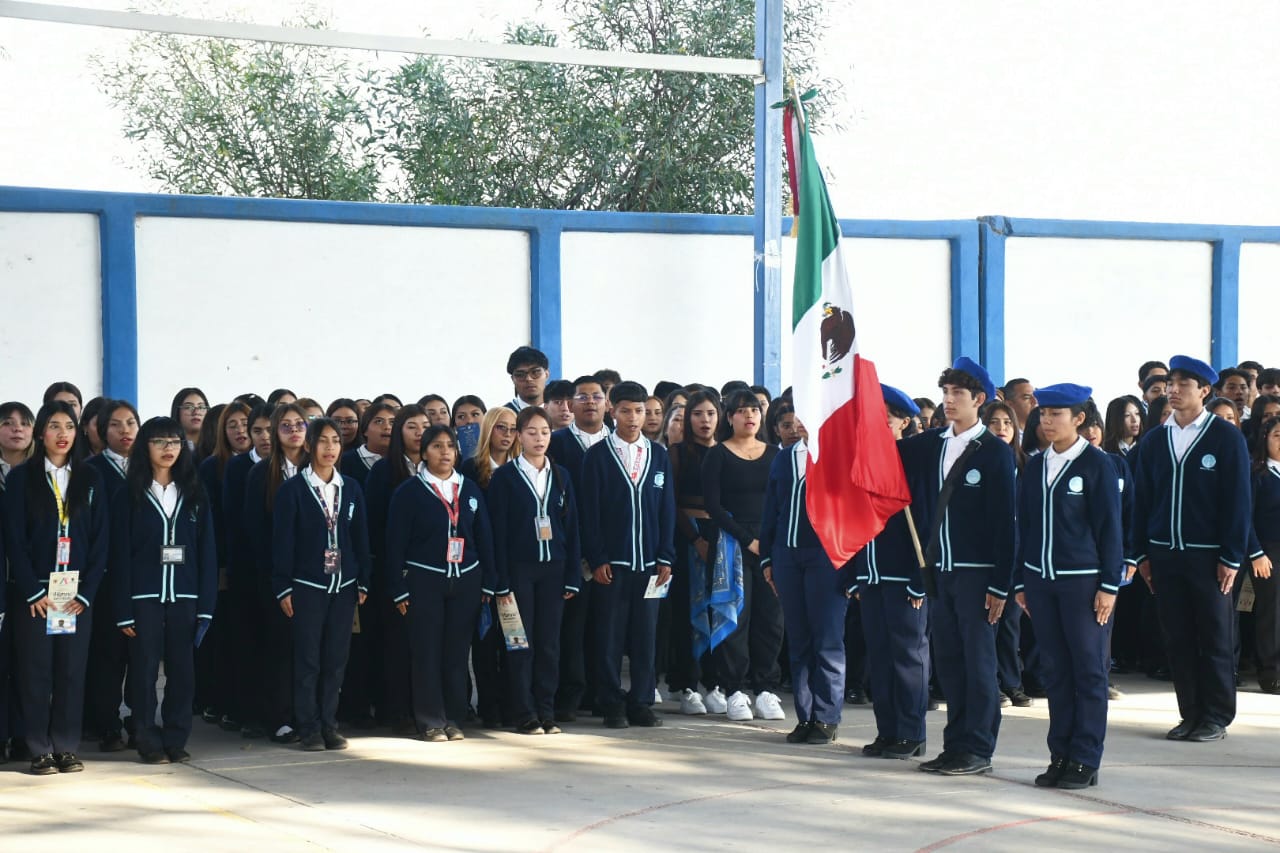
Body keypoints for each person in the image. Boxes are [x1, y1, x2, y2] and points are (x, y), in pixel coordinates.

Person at [899, 357, 1016, 777]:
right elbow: (886, 454)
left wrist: (1002, 584)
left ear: (978, 400)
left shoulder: (995, 453)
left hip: (978, 574)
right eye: (946, 393)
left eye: (958, 395)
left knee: (979, 663)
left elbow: (1007, 523)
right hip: (941, 572)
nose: (949, 401)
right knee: (949, 660)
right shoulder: (932, 444)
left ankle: (978, 748)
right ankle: (955, 744)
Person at [1131, 356, 1251, 742]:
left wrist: (1231, 556)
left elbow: (1238, 501)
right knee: (1178, 637)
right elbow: (1142, 501)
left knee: (1214, 637)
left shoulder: (1224, 436)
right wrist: (1142, 554)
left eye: (1185, 383)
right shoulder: (1155, 439)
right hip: (1165, 554)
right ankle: (1190, 712)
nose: (1175, 389)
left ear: (1204, 391)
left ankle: (1216, 714)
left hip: (1209, 556)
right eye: (1172, 383)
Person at [1011, 384, 1123, 789]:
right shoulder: (1036, 465)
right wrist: (1020, 580)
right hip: (1041, 582)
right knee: (1056, 671)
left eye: (1057, 414)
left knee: (1088, 671)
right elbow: (1021, 526)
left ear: (1079, 419)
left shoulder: (1096, 464)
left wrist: (1109, 585)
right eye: (1043, 414)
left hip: (1083, 584)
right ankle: (1060, 753)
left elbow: (1110, 528)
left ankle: (1085, 758)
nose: (1047, 420)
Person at [5, 401, 109, 774]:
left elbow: (101, 541)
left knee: (71, 670)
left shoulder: (90, 478)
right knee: (36, 671)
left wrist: (87, 591)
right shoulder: (21, 478)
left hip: (76, 594)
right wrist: (33, 590)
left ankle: (65, 745)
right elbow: (13, 539)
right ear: (40, 433)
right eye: (53, 426)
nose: (62, 434)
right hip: (35, 595)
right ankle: (38, 747)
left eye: (68, 426)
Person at [113, 417, 217, 764]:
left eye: (174, 441)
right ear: (145, 446)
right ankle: (146, 737)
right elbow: (120, 555)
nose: (169, 448)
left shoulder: (194, 491)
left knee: (182, 672)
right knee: (143, 672)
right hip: (143, 598)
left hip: (185, 598)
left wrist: (205, 605)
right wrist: (123, 607)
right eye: (160, 442)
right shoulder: (128, 493)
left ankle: (175, 736)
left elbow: (207, 552)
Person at [385, 425, 496, 742]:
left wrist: (488, 581)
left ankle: (453, 717)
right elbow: (395, 543)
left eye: (450, 446)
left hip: (466, 579)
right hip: (425, 580)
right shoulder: (409, 492)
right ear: (424, 453)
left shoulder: (469, 489)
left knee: (457, 653)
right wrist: (397, 586)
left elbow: (484, 538)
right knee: (426, 651)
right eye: (436, 446)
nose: (445, 452)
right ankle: (430, 719)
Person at [272, 418, 371, 751]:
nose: (330, 448)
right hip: (307, 586)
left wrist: (363, 580)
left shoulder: (351, 488)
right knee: (308, 660)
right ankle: (309, 726)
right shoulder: (293, 490)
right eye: (323, 441)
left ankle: (329, 723)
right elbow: (282, 542)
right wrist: (283, 586)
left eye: (336, 441)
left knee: (335, 659)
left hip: (343, 587)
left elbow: (360, 538)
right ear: (310, 446)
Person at [580, 381, 675, 728]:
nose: (633, 418)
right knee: (609, 636)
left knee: (645, 637)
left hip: (650, 564)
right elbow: (589, 514)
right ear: (612, 409)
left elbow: (667, 509)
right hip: (613, 565)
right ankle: (610, 702)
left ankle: (641, 701)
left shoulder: (659, 455)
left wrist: (666, 556)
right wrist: (598, 556)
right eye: (626, 410)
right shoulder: (598, 456)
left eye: (640, 411)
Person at [488, 407, 581, 734]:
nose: (539, 438)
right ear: (518, 436)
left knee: (549, 644)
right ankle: (522, 712)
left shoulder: (561, 475)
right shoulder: (505, 478)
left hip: (554, 570)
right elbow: (497, 533)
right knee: (519, 643)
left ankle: (546, 710)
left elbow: (571, 528)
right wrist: (500, 580)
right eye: (531, 432)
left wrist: (572, 574)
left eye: (544, 432)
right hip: (518, 572)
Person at [761, 413, 851, 745]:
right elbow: (771, 508)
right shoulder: (785, 457)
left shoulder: (837, 456)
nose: (800, 421)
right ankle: (806, 715)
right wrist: (769, 556)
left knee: (826, 637)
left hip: (827, 556)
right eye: (798, 415)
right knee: (798, 639)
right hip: (787, 555)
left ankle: (827, 716)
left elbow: (850, 511)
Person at [700, 389, 784, 722]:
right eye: (740, 410)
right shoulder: (717, 455)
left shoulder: (776, 454)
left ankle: (765, 689)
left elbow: (782, 502)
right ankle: (734, 689)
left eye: (754, 410)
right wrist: (748, 539)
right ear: (729, 416)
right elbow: (713, 506)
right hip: (732, 545)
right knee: (736, 615)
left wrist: (769, 540)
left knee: (772, 618)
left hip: (771, 544)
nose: (749, 415)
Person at [855, 386, 930, 758]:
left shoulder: (911, 460)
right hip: (871, 573)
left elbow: (925, 522)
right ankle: (888, 730)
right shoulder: (863, 461)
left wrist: (920, 581)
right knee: (880, 656)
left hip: (903, 575)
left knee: (907, 656)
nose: (881, 424)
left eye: (888, 417)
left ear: (904, 422)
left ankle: (911, 732)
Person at [241, 403, 311, 745]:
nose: (295, 430)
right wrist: (278, 577)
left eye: (301, 424)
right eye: (286, 425)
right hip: (278, 577)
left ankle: (310, 714)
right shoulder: (262, 473)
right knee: (280, 650)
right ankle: (280, 717)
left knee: (311, 650)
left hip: (318, 577)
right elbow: (254, 531)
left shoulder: (322, 469)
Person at [547, 376, 611, 722]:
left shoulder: (619, 444)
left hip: (609, 551)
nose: (590, 402)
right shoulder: (556, 443)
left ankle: (602, 693)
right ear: (569, 404)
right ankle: (568, 695)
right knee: (570, 628)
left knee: (605, 628)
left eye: (596, 396)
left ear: (606, 403)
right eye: (582, 397)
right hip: (570, 547)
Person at [362, 405, 429, 732]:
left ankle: (426, 708)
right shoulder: (383, 471)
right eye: (412, 426)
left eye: (425, 426)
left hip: (433, 573)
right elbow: (374, 526)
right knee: (396, 645)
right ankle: (396, 710)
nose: (419, 432)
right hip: (395, 571)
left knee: (425, 645)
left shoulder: (442, 470)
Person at [81, 399, 140, 752]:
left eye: (131, 423)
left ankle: (139, 719)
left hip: (143, 577)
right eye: (116, 425)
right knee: (108, 655)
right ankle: (106, 723)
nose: (126, 431)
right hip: (105, 577)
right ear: (102, 432)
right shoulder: (92, 470)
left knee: (142, 655)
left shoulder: (150, 468)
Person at [460, 406, 518, 728]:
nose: (507, 435)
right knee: (483, 641)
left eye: (512, 429)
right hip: (482, 566)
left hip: (516, 565)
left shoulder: (522, 468)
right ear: (488, 431)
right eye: (500, 428)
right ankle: (488, 706)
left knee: (513, 639)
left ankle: (511, 703)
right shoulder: (472, 469)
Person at [194, 401, 251, 729]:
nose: (240, 431)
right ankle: (216, 699)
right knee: (221, 638)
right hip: (221, 564)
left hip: (249, 566)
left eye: (247, 424)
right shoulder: (211, 467)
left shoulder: (264, 466)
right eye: (233, 425)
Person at [665, 389, 719, 715]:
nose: (704, 420)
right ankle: (688, 684)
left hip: (721, 538)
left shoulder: (726, 452)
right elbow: (671, 502)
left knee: (718, 609)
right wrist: (695, 539)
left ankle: (715, 683)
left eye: (710, 413)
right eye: (697, 414)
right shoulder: (676, 454)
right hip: (687, 537)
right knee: (687, 613)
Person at [222, 402, 274, 737]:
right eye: (257, 430)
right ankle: (248, 713)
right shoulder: (238, 467)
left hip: (281, 571)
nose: (265, 437)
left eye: (271, 429)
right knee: (247, 643)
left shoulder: (294, 466)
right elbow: (232, 521)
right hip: (246, 570)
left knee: (277, 647)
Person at [983, 400, 1033, 708]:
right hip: (988, 554)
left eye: (1007, 423)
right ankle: (992, 683)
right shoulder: (979, 461)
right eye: (994, 423)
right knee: (989, 621)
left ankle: (1012, 681)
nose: (1002, 428)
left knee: (1011, 625)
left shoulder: (1025, 464)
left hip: (1018, 556)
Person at [1249, 416, 1280, 694]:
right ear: (1266, 439)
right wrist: (1256, 551)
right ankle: (1271, 672)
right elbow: (1246, 517)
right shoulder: (1258, 474)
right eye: (1278, 436)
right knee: (1272, 611)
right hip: (1268, 550)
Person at [340, 401, 395, 487]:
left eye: (392, 422)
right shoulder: (345, 461)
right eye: (379, 421)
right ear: (365, 430)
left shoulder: (404, 461)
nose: (387, 427)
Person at [505, 346, 549, 411]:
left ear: (546, 374)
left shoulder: (562, 413)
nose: (528, 379)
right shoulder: (504, 416)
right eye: (520, 375)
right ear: (513, 379)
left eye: (535, 372)